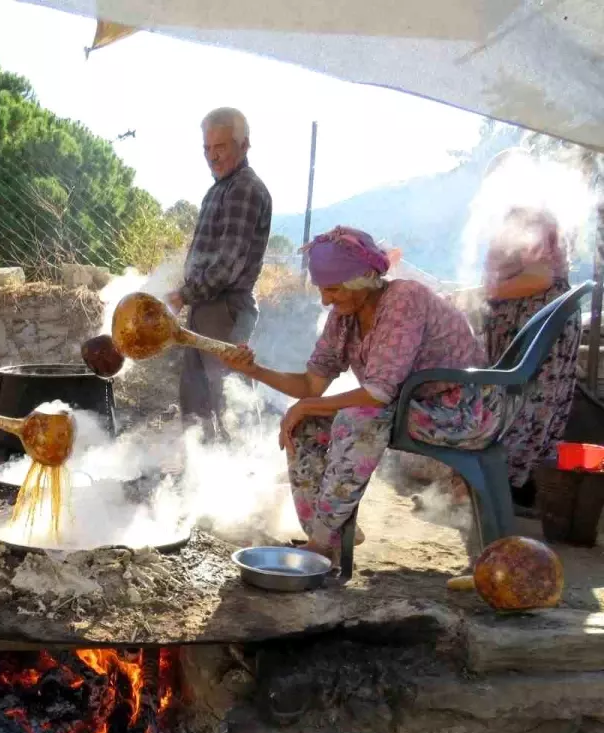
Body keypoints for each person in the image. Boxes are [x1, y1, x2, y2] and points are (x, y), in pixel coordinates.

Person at [217, 226, 511, 560]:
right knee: (307, 422)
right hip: (413, 406)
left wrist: (308, 404)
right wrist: (254, 370)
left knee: (359, 417)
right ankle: (330, 531)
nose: (326, 299)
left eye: (333, 289)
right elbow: (311, 386)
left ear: (364, 279)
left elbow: (377, 395)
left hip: (466, 410)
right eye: (322, 290)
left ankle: (322, 542)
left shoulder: (404, 299)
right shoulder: (344, 316)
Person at [167, 107, 272, 439]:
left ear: (244, 145)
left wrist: (183, 295)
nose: (213, 157)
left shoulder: (244, 189)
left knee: (228, 403)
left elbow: (228, 266)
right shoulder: (220, 189)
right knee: (197, 400)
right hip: (208, 307)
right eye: (207, 149)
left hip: (225, 310)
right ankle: (204, 475)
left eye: (221, 147)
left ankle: (243, 475)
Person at [481, 204, 579, 512]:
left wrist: (483, 292)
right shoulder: (520, 220)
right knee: (527, 405)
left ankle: (510, 487)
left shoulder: (531, 219)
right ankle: (516, 488)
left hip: (536, 326)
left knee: (527, 405)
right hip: (529, 326)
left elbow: (539, 277)